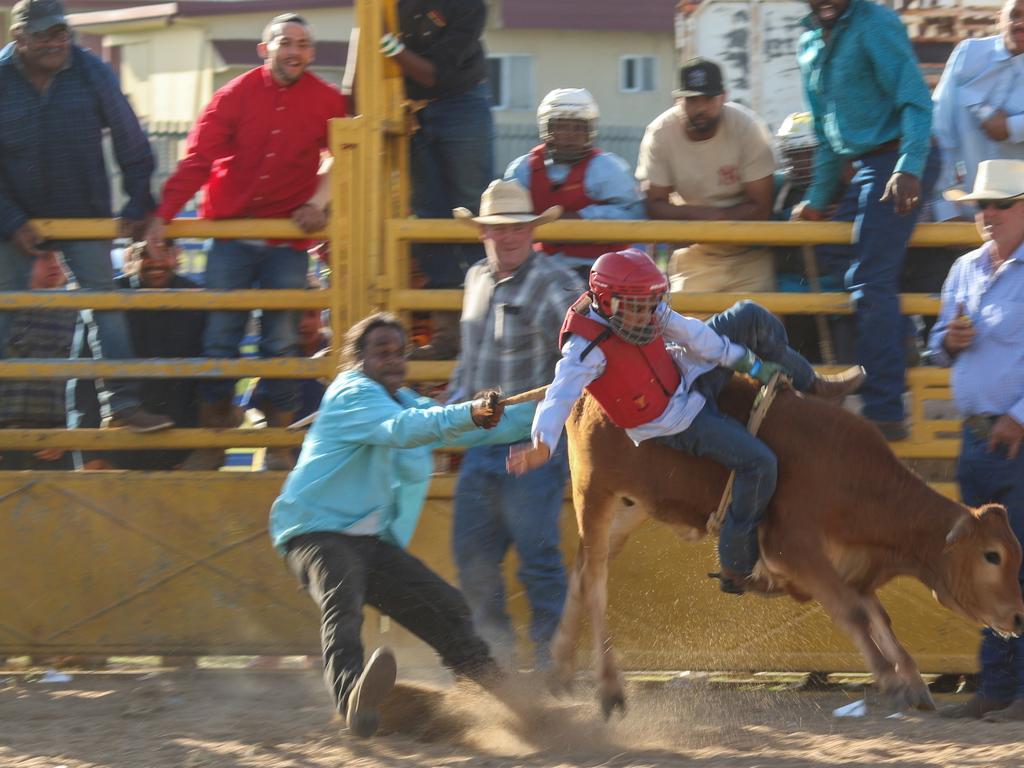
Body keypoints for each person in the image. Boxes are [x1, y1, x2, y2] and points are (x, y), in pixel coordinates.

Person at [508, 249, 864, 594]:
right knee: (760, 463)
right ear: (608, 303)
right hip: (675, 419)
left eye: (652, 304)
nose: (649, 314)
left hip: (684, 372)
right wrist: (542, 443)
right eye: (638, 308)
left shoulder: (643, 308)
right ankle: (737, 562)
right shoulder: (584, 350)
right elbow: (559, 395)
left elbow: (695, 336)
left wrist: (747, 363)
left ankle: (811, 384)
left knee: (751, 315)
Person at [268, 312, 535, 738]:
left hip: (369, 541)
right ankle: (353, 698)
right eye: (381, 352)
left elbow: (461, 427)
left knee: (447, 607)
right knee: (343, 601)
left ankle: (504, 701)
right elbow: (409, 430)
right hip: (315, 531)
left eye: (399, 353)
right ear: (358, 359)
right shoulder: (351, 394)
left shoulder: (407, 402)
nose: (393, 360)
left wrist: (551, 410)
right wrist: (471, 411)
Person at [147, 13, 347, 472]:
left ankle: (277, 446)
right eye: (284, 42)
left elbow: (348, 153)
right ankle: (213, 443)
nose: (293, 51)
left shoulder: (326, 99)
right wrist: (163, 216)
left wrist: (319, 201)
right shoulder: (233, 96)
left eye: (302, 44)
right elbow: (197, 160)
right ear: (265, 49)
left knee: (280, 342)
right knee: (219, 339)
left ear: (311, 53)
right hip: (232, 234)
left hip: (286, 239)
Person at [0, 0, 170, 433]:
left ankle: (123, 406)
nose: (58, 42)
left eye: (62, 32)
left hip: (82, 210)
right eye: (45, 35)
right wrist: (11, 219)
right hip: (15, 214)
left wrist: (137, 202)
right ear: (18, 38)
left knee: (105, 304)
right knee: (4, 306)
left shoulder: (92, 71)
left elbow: (131, 139)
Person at [447, 179, 583, 668]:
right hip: (483, 444)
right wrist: (450, 415)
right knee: (472, 557)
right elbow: (470, 363)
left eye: (519, 228)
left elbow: (582, 358)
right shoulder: (476, 279)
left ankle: (551, 667)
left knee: (537, 556)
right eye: (499, 229)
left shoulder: (553, 284)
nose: (510, 237)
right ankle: (498, 663)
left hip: (532, 446)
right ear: (482, 230)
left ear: (532, 230)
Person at [794, 0, 942, 441]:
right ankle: (897, 343)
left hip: (898, 159)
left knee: (870, 278)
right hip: (865, 165)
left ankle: (885, 409)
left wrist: (909, 166)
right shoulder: (808, 42)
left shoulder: (875, 24)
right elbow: (824, 132)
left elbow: (915, 98)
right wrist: (817, 200)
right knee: (833, 256)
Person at [927, 160, 1024, 721]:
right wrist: (950, 339)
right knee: (987, 567)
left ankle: (1013, 688)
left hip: (1014, 440)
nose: (988, 214)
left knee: (1013, 563)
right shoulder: (965, 268)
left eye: (1000, 204)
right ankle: (997, 686)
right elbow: (936, 346)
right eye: (981, 206)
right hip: (980, 441)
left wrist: (1019, 417)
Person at [636, 58, 777, 293]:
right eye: (691, 99)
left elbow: (762, 207)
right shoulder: (660, 133)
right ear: (677, 100)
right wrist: (707, 216)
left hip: (749, 254)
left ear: (724, 96)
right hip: (694, 254)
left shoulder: (748, 128)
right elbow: (653, 204)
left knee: (761, 326)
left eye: (708, 99)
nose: (700, 108)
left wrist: (711, 219)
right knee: (686, 328)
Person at [381, 0, 493, 289]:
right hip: (409, 107)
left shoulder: (470, 6)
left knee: (471, 202)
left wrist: (387, 45)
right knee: (427, 206)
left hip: (460, 100)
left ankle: (485, 287)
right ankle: (443, 303)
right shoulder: (384, 5)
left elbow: (434, 74)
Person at [73, 240, 207, 471]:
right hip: (117, 448)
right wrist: (89, 454)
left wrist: (198, 450)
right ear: (129, 259)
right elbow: (83, 376)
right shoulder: (108, 299)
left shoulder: (197, 299)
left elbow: (208, 380)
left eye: (164, 251)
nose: (156, 260)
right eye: (144, 253)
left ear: (177, 255)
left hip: (179, 445)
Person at [503, 88, 644, 281]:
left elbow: (634, 215)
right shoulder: (522, 170)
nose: (570, 135)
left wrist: (582, 218)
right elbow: (506, 216)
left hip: (601, 271)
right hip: (540, 268)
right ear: (548, 130)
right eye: (561, 127)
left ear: (589, 132)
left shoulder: (608, 169)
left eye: (578, 128)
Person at [932, 0, 1024, 222]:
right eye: (1015, 14)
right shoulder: (968, 53)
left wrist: (1013, 127)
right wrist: (943, 208)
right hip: (961, 215)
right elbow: (938, 132)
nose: (1021, 23)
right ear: (999, 17)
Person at [0, 251, 76, 470]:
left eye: (59, 256)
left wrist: (69, 432)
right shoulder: (5, 307)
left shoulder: (79, 310)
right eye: (44, 257)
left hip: (56, 443)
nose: (54, 264)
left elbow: (86, 383)